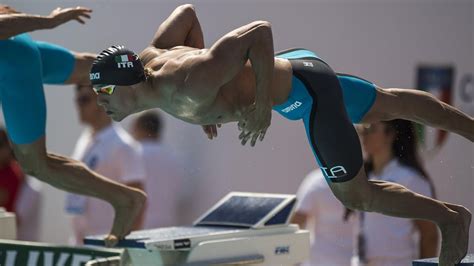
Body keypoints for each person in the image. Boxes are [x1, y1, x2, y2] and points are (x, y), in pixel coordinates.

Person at [90, 4, 473, 264]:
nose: (99, 104)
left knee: (356, 195)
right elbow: (186, 13)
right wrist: (210, 102)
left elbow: (259, 31)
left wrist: (259, 106)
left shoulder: (190, 82)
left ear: (126, 84)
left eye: (102, 93)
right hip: (299, 66)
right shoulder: (155, 59)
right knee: (389, 103)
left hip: (306, 94)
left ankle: (450, 219)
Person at [0, 5, 146, 246]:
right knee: (93, 69)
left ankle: (124, 199)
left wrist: (49, 21)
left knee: (36, 165)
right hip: (19, 47)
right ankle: (161, 73)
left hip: (12, 65)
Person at [351, 120, 439, 266]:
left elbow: (429, 234)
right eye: (361, 130)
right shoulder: (364, 177)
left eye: (370, 128)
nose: (363, 135)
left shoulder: (410, 179)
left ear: (390, 134)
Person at [66, 84, 146, 244]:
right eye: (77, 100)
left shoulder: (123, 146)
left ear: (103, 101)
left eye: (84, 99)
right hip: (81, 242)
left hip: (106, 244)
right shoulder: (85, 139)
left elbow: (137, 203)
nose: (78, 105)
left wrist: (122, 245)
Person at [292, 168, 356, 266]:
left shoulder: (316, 180)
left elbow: (295, 223)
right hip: (352, 260)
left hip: (320, 260)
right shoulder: (365, 180)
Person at [131, 111, 183, 228]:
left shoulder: (133, 155)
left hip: (139, 226)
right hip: (168, 226)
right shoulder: (173, 157)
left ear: (137, 127)